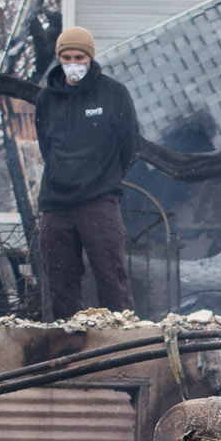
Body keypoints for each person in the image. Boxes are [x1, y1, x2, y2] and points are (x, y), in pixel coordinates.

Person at [33, 26, 139, 318]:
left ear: (90, 57)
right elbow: (46, 145)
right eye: (66, 57)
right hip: (55, 204)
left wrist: (102, 176)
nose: (72, 63)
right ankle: (70, 351)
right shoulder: (46, 99)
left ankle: (122, 345)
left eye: (79, 56)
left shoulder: (114, 93)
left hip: (99, 200)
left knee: (112, 278)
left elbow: (130, 146)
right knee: (61, 285)